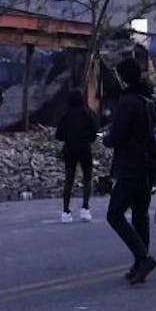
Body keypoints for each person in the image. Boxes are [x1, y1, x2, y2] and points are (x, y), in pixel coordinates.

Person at [101, 57, 156, 283]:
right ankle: (139, 265)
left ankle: (142, 258)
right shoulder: (147, 98)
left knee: (114, 213)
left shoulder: (128, 102)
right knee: (140, 215)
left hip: (130, 165)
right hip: (148, 166)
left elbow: (117, 136)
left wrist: (106, 139)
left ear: (123, 77)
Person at [55, 90, 99, 223]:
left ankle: (66, 211)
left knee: (69, 178)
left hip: (69, 149)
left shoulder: (66, 115)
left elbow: (59, 135)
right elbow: (94, 132)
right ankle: (85, 208)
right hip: (84, 148)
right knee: (87, 177)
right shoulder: (88, 113)